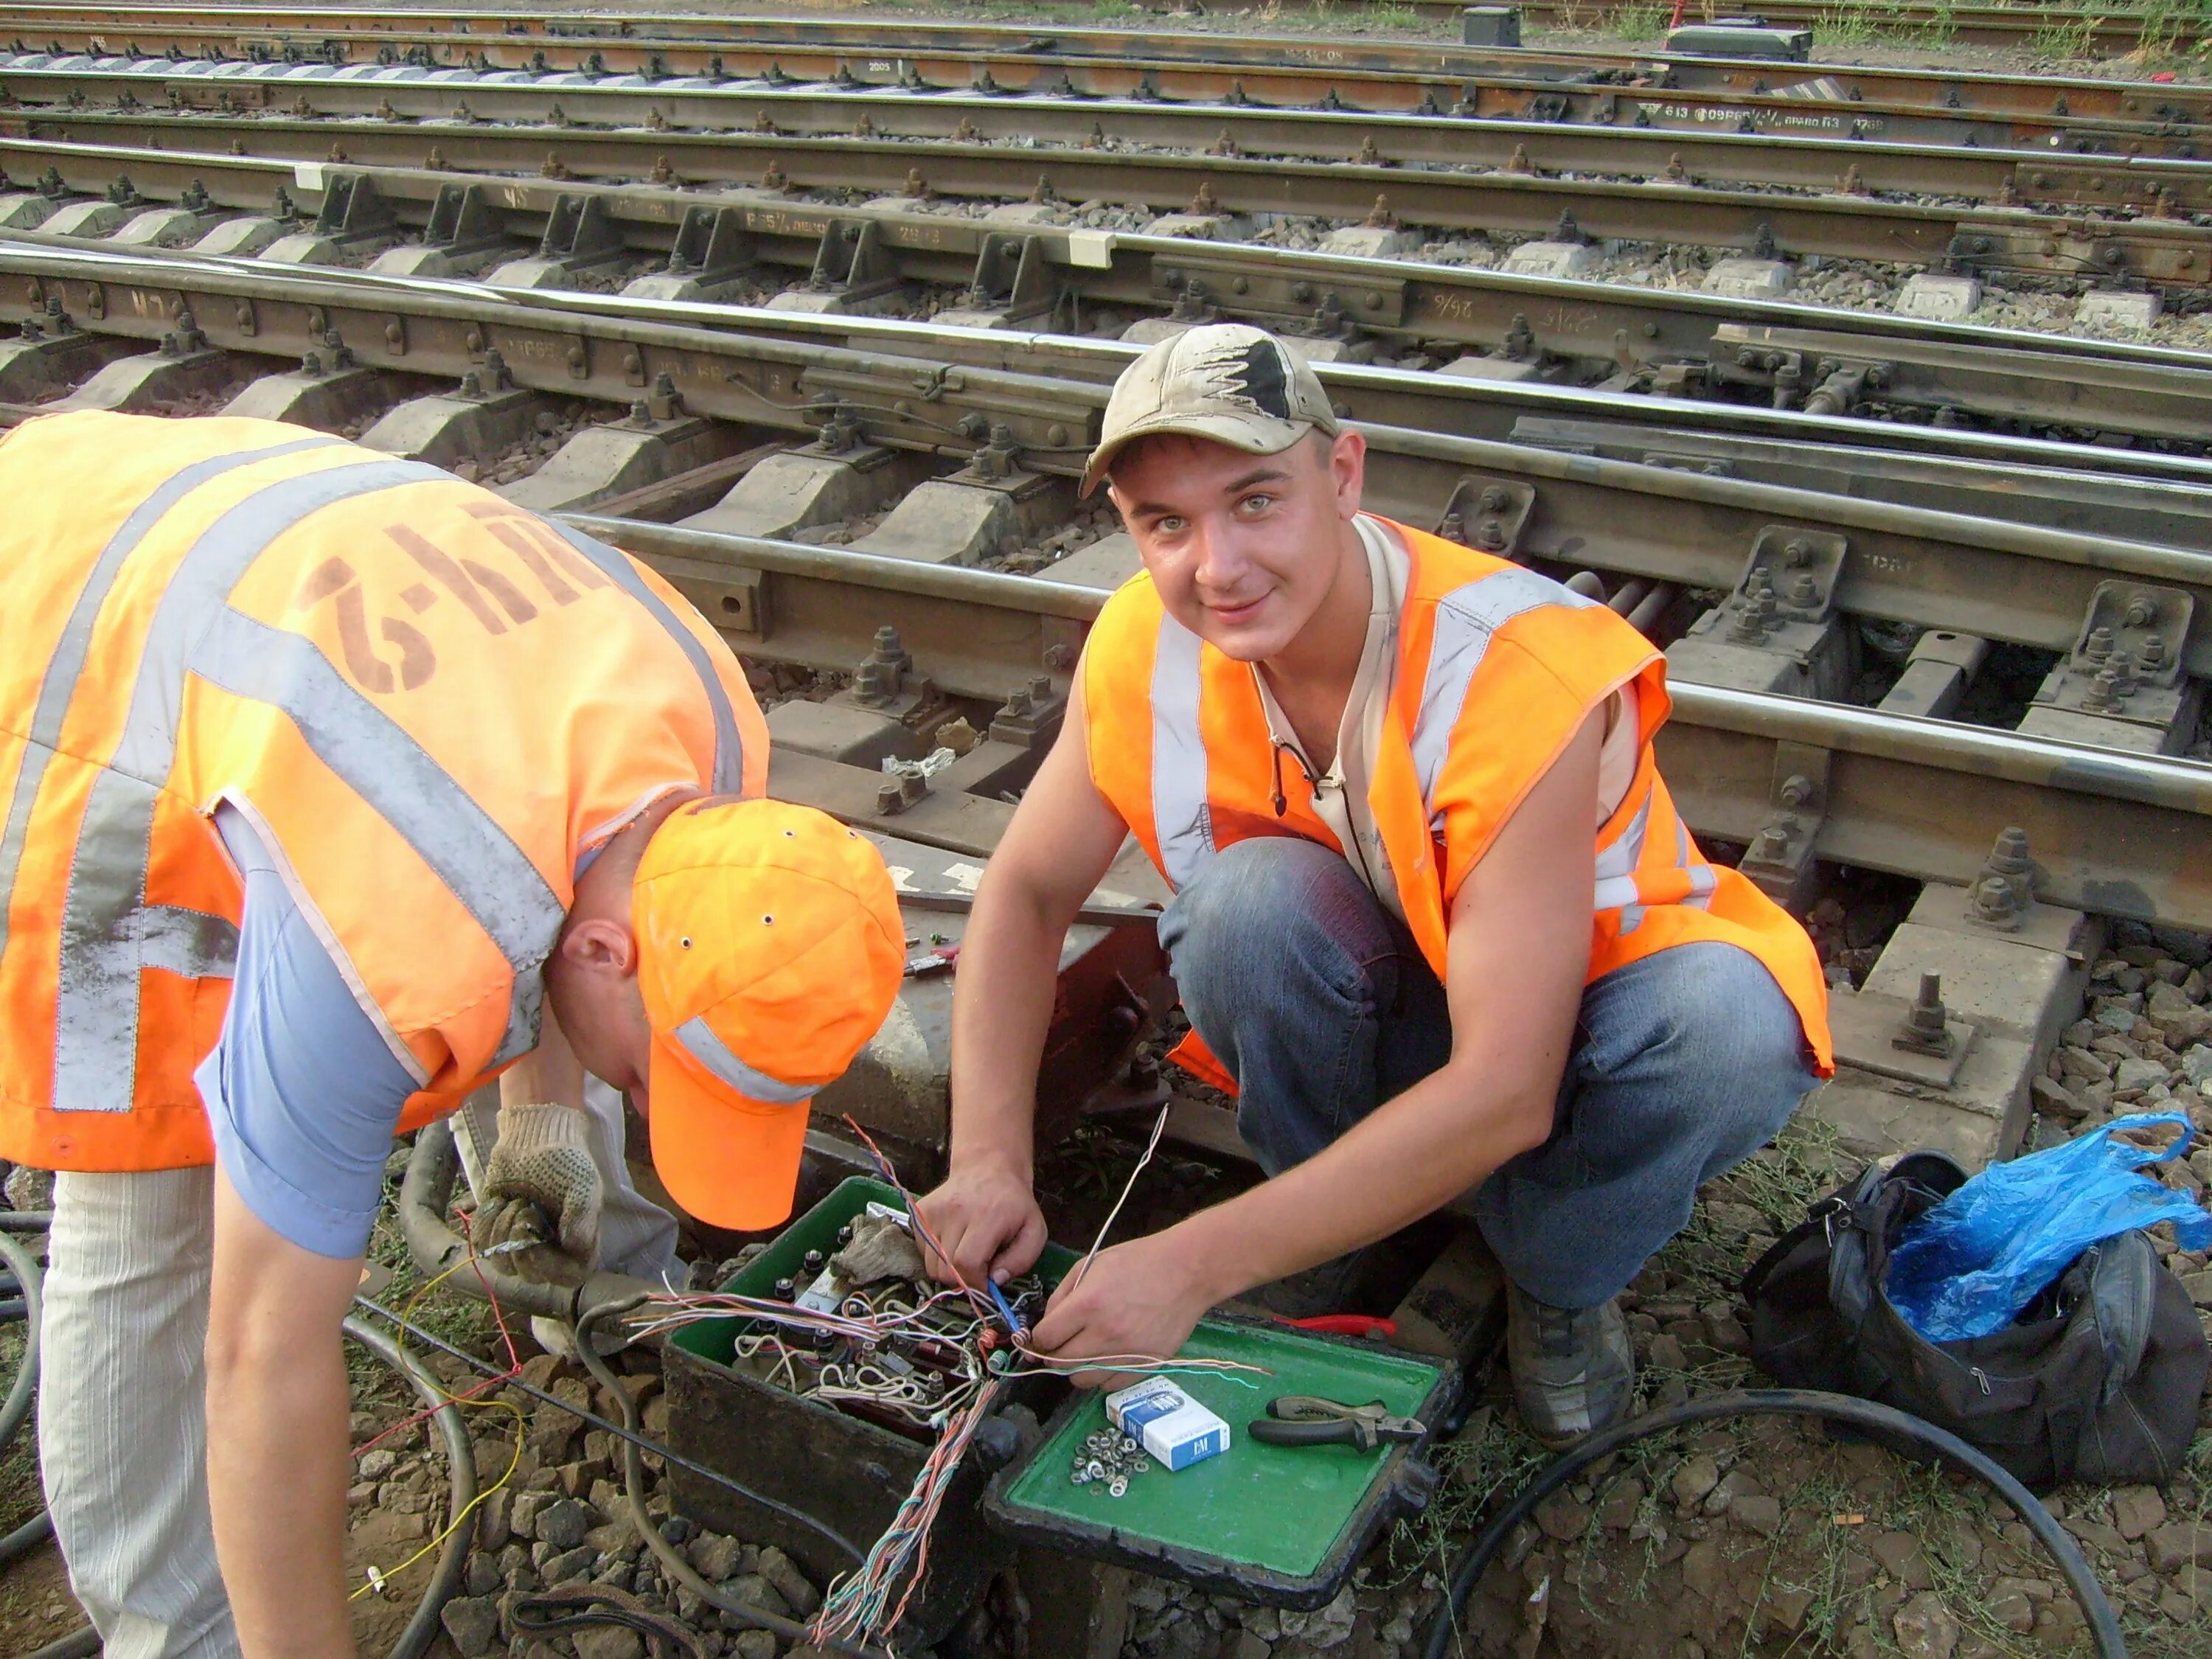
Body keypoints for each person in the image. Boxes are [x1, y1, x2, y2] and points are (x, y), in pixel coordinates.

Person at [0, 411, 907, 1659]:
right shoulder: (379, 940)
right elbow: (263, 1355)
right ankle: (176, 1635)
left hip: (268, 577)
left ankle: (591, 1319)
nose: (645, 1103)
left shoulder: (710, 725)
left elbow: (566, 855)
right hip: (64, 635)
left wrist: (540, 1116)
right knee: (154, 1207)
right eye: (659, 1081)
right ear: (603, 959)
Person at [916, 324, 1833, 1446]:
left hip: (1588, 1027)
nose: (1219, 566)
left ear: (1343, 473)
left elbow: (1508, 1085)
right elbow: (1022, 894)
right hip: (1414, 998)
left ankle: (1558, 1272)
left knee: (1720, 1030)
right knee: (1246, 907)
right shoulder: (1144, 642)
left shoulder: (1504, 668)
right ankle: (1331, 1218)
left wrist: (1193, 1260)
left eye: (1257, 500)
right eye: (1168, 522)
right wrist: (989, 1162)